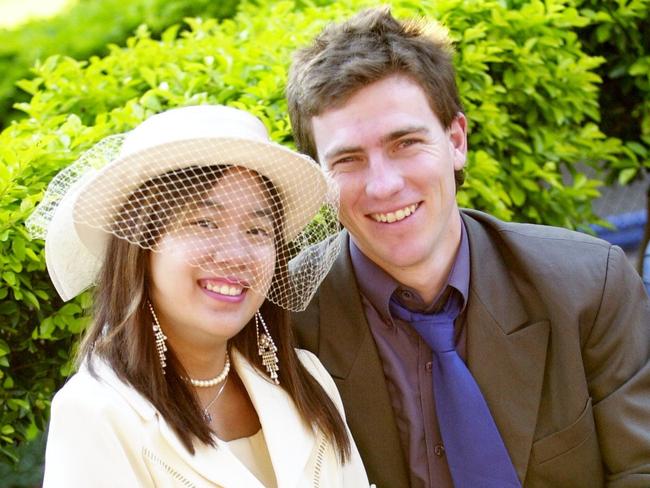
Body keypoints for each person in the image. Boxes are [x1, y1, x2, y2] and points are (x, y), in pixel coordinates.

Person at [286, 7, 650, 488]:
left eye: (406, 143)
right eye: (348, 159)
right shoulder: (286, 318)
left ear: (456, 140)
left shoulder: (590, 284)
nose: (384, 185)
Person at [28, 105, 369, 487]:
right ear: (141, 248)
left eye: (257, 230)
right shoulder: (97, 412)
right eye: (203, 223)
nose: (235, 255)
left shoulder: (308, 380)